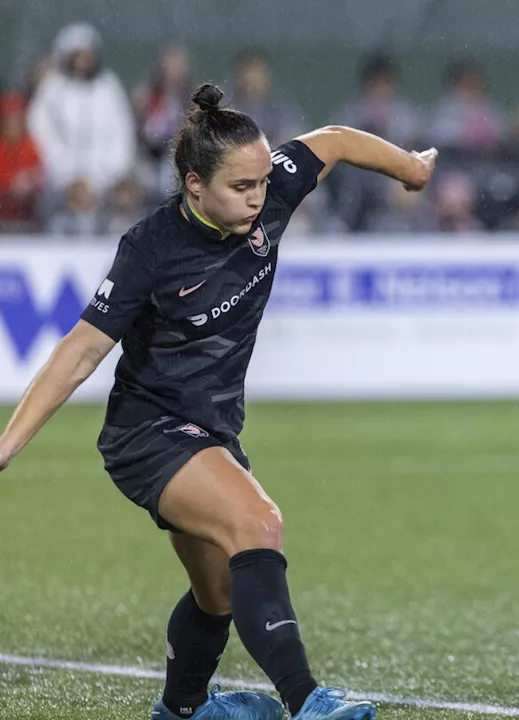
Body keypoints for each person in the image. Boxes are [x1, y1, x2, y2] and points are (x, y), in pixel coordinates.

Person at [0, 84, 437, 720]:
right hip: (147, 434)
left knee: (216, 594)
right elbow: (79, 352)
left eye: (263, 182)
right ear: (193, 184)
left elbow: (336, 141)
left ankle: (180, 710)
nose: (260, 198)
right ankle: (307, 701)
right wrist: (8, 444)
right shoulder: (149, 250)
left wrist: (412, 169)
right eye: (242, 187)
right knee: (258, 524)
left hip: (211, 431)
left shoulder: (270, 191)